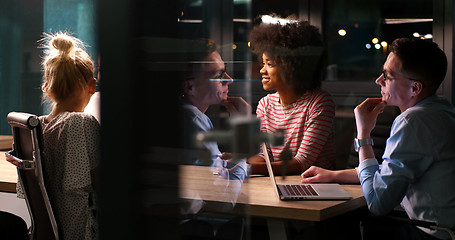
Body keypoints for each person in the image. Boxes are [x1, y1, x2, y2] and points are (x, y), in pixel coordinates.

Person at [301, 38, 455, 240]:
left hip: (432, 235)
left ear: (415, 88)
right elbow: (384, 174)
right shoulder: (441, 110)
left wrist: (363, 134)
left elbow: (378, 203)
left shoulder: (412, 121)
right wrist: (332, 175)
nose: (378, 81)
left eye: (388, 76)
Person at [6, 32, 100, 239]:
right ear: (92, 86)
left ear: (47, 89)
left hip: (53, 231)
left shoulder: (37, 128)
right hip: (82, 231)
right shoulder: (82, 123)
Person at [248, 16, 336, 175]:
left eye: (270, 64)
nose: (262, 70)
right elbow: (264, 156)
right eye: (263, 63)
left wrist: (248, 168)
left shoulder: (319, 103)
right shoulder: (265, 105)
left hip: (318, 186)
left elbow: (302, 163)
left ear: (291, 67)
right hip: (280, 182)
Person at [181, 38, 250, 179]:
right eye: (219, 75)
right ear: (190, 87)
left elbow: (217, 172)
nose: (229, 79)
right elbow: (225, 197)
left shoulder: (190, 115)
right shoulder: (195, 120)